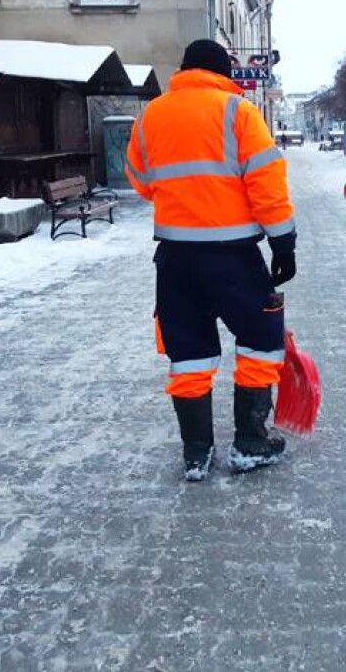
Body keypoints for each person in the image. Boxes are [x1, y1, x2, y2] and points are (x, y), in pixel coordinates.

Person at [124, 39, 297, 482]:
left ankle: (196, 454)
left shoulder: (151, 116)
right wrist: (283, 242)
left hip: (176, 260)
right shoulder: (237, 112)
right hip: (235, 257)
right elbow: (266, 181)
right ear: (223, 72)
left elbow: (142, 181)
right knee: (260, 340)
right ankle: (251, 443)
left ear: (185, 70)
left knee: (189, 353)